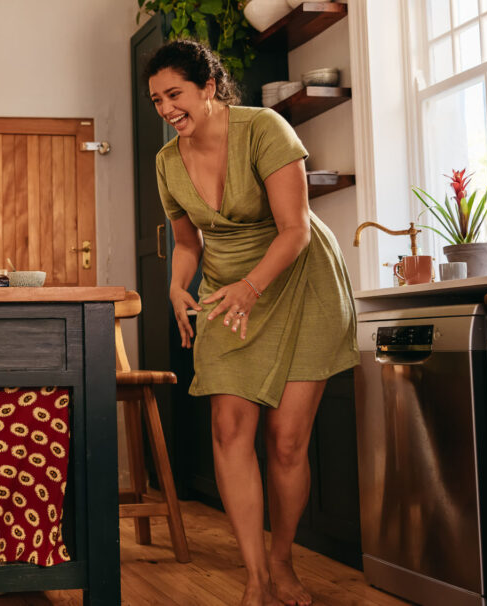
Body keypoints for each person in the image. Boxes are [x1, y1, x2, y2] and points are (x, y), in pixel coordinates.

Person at [146, 40, 359, 606]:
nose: (166, 109)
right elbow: (188, 242)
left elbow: (296, 229)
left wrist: (251, 287)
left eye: (174, 94)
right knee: (229, 431)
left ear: (208, 87)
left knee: (287, 442)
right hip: (226, 292)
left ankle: (283, 562)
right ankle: (256, 577)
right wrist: (175, 284)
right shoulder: (167, 162)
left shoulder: (264, 128)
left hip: (299, 281)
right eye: (156, 100)